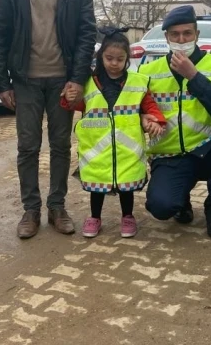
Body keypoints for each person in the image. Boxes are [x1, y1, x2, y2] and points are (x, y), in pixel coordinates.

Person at [0, 0, 97, 239]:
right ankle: (31, 210)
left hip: (63, 81)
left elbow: (86, 33)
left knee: (61, 145)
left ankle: (57, 207)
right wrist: (2, 82)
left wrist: (77, 78)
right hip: (26, 80)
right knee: (28, 146)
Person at [139, 6, 211, 239]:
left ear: (197, 35)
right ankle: (181, 199)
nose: (181, 40)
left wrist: (193, 76)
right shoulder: (148, 71)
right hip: (171, 155)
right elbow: (135, 108)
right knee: (161, 207)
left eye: (187, 33)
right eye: (175, 35)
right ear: (166, 38)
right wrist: (142, 116)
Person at [61, 27, 166, 239]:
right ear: (101, 57)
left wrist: (157, 121)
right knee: (97, 188)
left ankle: (128, 216)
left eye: (120, 59)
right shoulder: (88, 82)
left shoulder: (137, 82)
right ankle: (94, 217)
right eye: (109, 58)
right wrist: (68, 98)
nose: (114, 63)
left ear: (127, 59)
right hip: (97, 152)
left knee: (126, 188)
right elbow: (74, 104)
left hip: (127, 151)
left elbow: (150, 106)